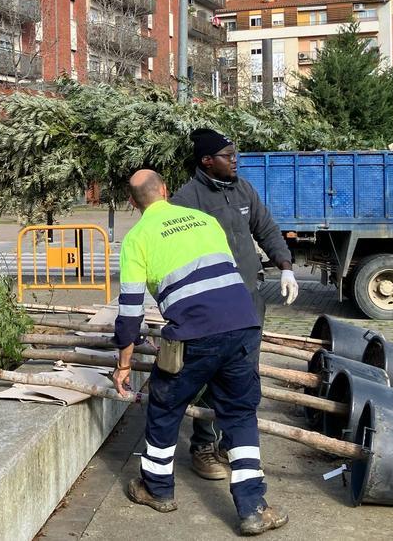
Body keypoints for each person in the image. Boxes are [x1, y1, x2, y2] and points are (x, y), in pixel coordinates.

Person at [111, 170, 288, 536]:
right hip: (243, 325)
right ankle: (254, 508)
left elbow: (129, 310)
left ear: (133, 202)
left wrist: (124, 364)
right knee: (239, 414)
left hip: (194, 335)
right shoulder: (205, 221)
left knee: (164, 406)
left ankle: (157, 490)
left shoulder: (137, 238)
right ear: (165, 191)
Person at [170, 128, 298, 482]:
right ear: (207, 161)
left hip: (250, 299)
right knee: (212, 374)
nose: (235, 160)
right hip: (213, 304)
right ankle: (203, 446)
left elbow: (266, 228)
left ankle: (232, 443)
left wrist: (285, 267)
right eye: (228, 155)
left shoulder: (243, 189)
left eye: (234, 153)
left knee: (245, 373)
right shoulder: (187, 200)